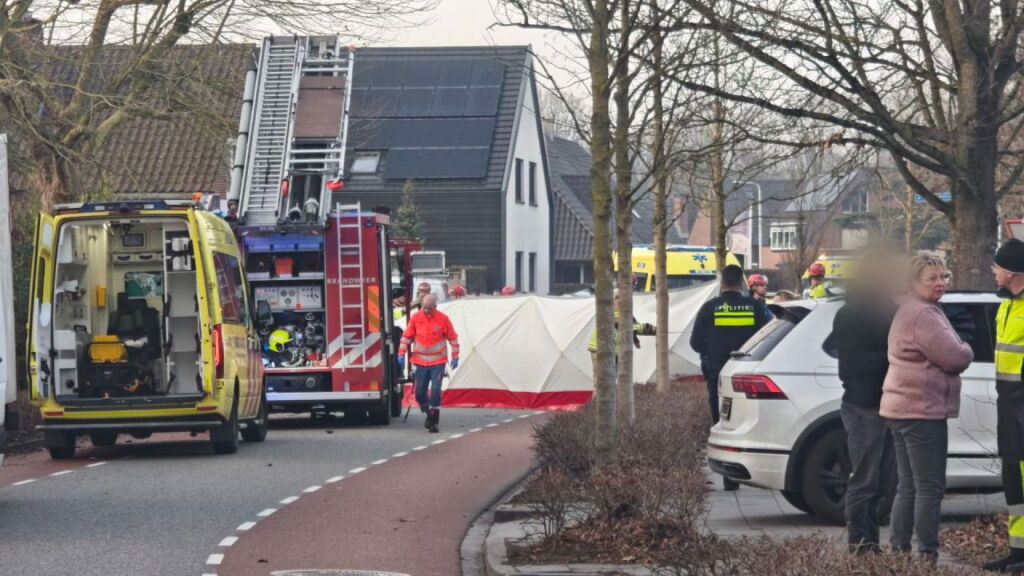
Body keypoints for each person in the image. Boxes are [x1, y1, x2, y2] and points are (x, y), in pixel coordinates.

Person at [879, 255, 972, 563]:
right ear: (913, 283)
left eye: (943, 276)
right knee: (929, 488)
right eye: (931, 278)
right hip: (920, 411)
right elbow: (956, 357)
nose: (940, 283)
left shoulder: (912, 309)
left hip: (902, 408)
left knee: (908, 486)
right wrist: (967, 347)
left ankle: (901, 552)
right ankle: (926, 557)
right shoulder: (923, 314)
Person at [690, 264, 773, 490]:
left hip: (718, 373)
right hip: (749, 373)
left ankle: (729, 477)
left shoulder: (709, 308)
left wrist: (711, 353)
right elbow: (770, 335)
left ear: (722, 283)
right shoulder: (755, 306)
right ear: (741, 284)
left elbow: (695, 343)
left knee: (722, 420)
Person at [834, 265, 898, 554]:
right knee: (865, 480)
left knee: (881, 481)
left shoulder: (884, 310)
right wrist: (893, 359)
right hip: (864, 405)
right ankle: (861, 545)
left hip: (883, 403)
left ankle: (868, 544)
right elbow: (852, 363)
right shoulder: (853, 314)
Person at [983, 239, 1024, 573]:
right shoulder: (1006, 305)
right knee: (1013, 480)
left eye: (996, 266)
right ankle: (1018, 550)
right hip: (1008, 409)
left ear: (1012, 272)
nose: (993, 271)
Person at [398, 294, 460, 433]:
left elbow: (453, 338)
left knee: (436, 390)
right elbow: (407, 337)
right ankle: (428, 413)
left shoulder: (443, 319)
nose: (426, 311)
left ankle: (434, 421)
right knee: (420, 393)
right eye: (424, 308)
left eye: (430, 309)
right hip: (420, 362)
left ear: (435, 307)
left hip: (438, 361)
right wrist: (401, 353)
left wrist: (455, 356)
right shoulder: (415, 318)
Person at [587, 290, 655, 360]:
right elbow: (631, 327)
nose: (620, 300)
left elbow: (635, 327)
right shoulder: (608, 316)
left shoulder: (627, 314)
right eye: (617, 298)